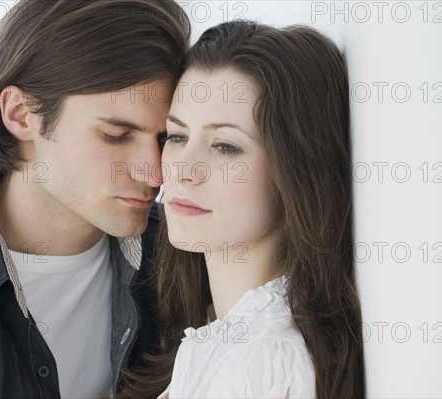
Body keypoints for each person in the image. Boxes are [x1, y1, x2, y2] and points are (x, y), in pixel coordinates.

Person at [0, 0, 189, 397]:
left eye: (166, 138)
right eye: (116, 135)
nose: (156, 172)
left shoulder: (190, 254)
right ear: (21, 114)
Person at [119, 20, 365, 398]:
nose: (183, 170)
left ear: (296, 171)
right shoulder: (218, 338)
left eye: (225, 147)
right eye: (177, 136)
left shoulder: (265, 359)